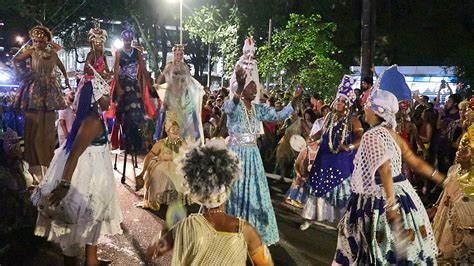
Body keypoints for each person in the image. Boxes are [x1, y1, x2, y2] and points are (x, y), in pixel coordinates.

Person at [31, 26, 122, 266]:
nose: (109, 100)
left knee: (93, 225)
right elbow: (72, 156)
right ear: (94, 97)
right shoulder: (91, 122)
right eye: (105, 96)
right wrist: (63, 186)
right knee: (75, 233)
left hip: (96, 179)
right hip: (86, 180)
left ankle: (92, 259)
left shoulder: (95, 118)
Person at [333, 81, 445, 265]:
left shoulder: (371, 135)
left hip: (380, 196)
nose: (364, 109)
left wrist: (391, 206)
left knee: (375, 249)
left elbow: (384, 168)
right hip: (403, 192)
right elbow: (415, 162)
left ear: (378, 111)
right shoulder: (392, 134)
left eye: (368, 106)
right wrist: (440, 178)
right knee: (404, 249)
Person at [147, 139, 273, 265]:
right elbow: (266, 264)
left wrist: (167, 228)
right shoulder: (245, 231)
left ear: (197, 193)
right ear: (228, 189)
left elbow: (152, 251)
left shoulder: (185, 226)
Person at [224, 63, 301, 245]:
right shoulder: (233, 106)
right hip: (235, 156)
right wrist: (240, 87)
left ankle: (252, 232)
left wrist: (294, 100)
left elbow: (279, 116)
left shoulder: (258, 109)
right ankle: (230, 229)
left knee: (254, 193)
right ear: (240, 89)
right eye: (251, 86)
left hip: (253, 156)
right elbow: (228, 109)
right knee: (233, 192)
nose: (255, 89)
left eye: (254, 86)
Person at [300, 75, 363, 230]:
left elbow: (361, 137)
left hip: (342, 159)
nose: (340, 103)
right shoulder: (329, 115)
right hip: (324, 156)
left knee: (341, 189)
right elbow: (322, 132)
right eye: (338, 100)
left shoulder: (353, 120)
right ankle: (311, 216)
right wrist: (312, 137)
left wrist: (349, 147)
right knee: (317, 184)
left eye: (343, 101)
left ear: (348, 104)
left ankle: (342, 223)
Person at [13, 25, 69, 180]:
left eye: (41, 41)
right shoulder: (31, 51)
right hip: (35, 87)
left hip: (50, 89)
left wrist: (65, 78)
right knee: (34, 125)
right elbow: (15, 60)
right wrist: (20, 73)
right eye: (35, 41)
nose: (37, 43)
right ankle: (33, 161)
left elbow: (61, 63)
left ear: (46, 41)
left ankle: (47, 159)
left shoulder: (52, 53)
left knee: (48, 126)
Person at [113, 24, 153, 154]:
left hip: (134, 84)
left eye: (129, 41)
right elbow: (115, 71)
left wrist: (150, 85)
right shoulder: (119, 53)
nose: (128, 43)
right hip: (123, 84)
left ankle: (139, 143)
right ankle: (126, 143)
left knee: (139, 111)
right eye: (125, 41)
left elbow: (143, 69)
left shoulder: (137, 52)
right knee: (124, 112)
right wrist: (118, 86)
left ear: (132, 40)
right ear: (123, 40)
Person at [135, 117, 190, 208]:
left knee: (181, 172)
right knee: (158, 172)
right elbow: (149, 156)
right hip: (162, 167)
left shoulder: (184, 144)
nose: (176, 131)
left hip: (177, 167)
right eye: (173, 129)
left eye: (177, 129)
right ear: (167, 131)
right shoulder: (160, 144)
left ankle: (175, 198)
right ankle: (157, 199)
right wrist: (143, 172)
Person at [284, 136, 319, 208]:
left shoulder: (320, 152)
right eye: (309, 141)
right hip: (304, 176)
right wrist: (298, 173)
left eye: (312, 141)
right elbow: (296, 164)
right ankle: (294, 198)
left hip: (315, 177)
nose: (310, 143)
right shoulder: (305, 151)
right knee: (300, 181)